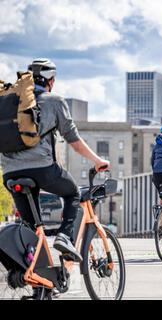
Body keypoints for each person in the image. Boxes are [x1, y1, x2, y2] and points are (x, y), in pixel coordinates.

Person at [1, 58, 110, 262]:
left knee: (31, 228)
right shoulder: (54, 101)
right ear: (50, 80)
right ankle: (65, 237)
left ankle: (34, 275)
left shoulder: (11, 103)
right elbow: (74, 141)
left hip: (10, 173)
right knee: (73, 193)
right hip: (42, 169)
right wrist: (97, 161)